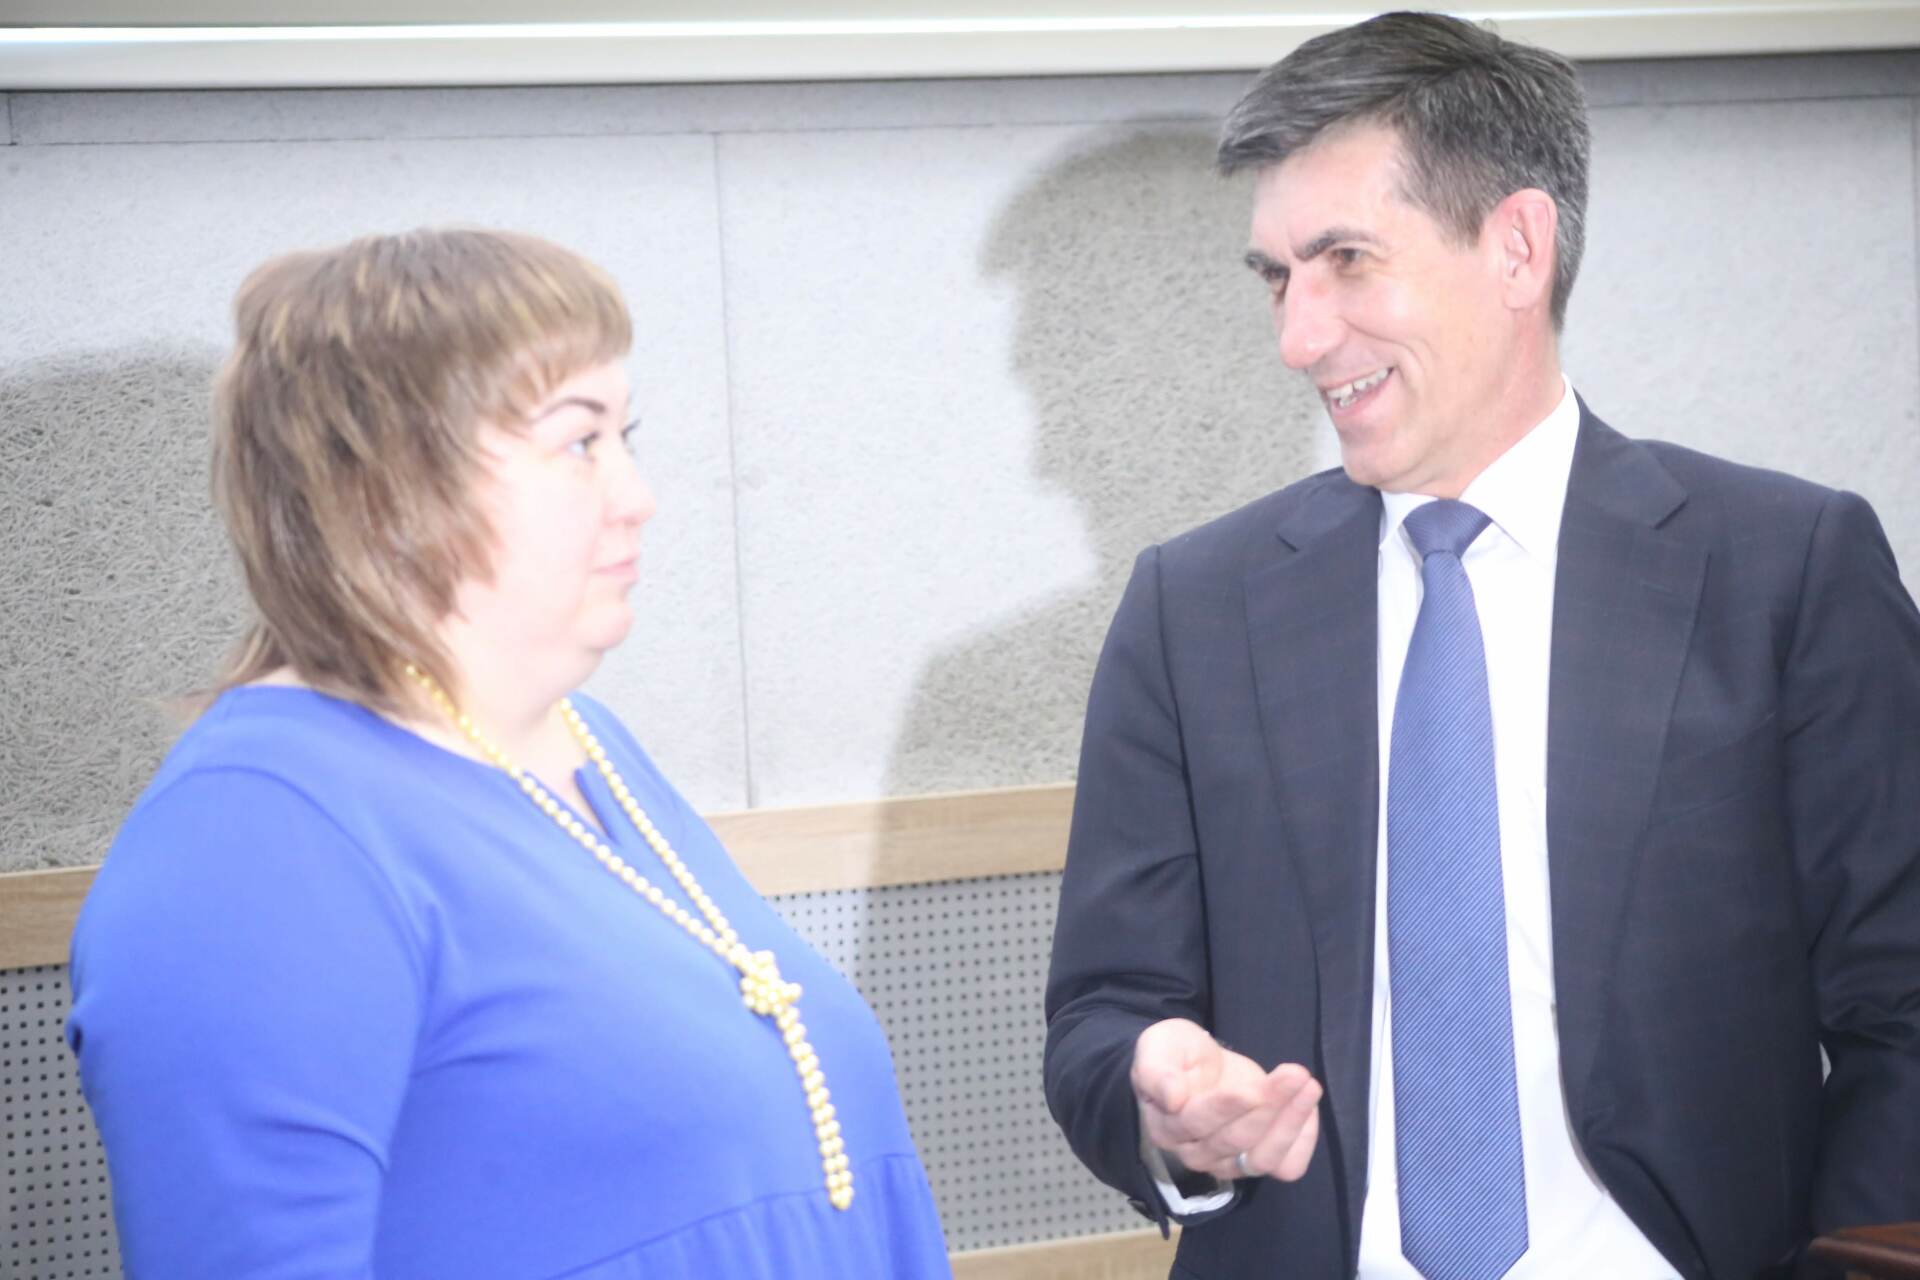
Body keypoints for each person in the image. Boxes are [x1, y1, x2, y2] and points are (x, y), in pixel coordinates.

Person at [1043, 12, 1920, 1280]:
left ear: (1517, 247)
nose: (1298, 337)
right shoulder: (1194, 610)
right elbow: (1101, 1012)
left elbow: (1904, 1003)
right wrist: (1159, 1096)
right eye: (1278, 278)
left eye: (1347, 261)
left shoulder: (1785, 572)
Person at [65, 228, 952, 1279]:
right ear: (389, 478)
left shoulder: (585, 744)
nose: (637, 494)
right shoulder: (256, 839)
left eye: (626, 435)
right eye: (579, 442)